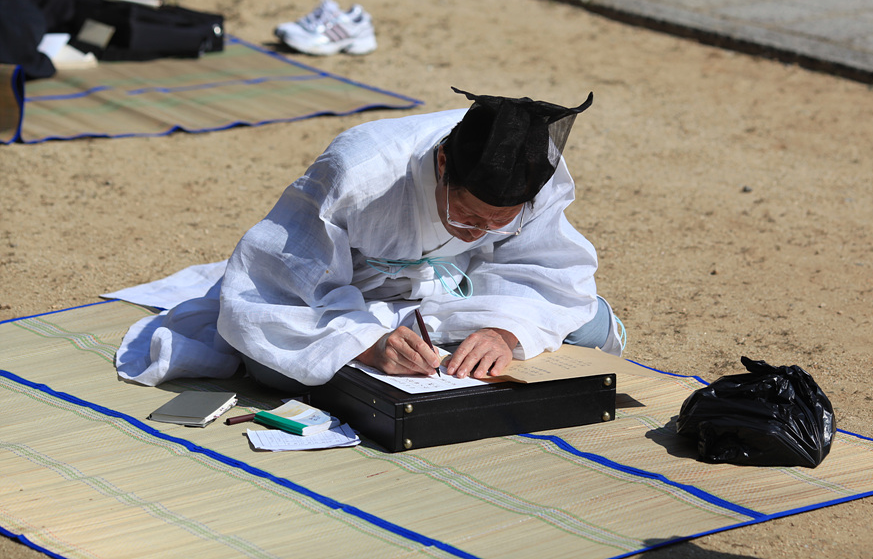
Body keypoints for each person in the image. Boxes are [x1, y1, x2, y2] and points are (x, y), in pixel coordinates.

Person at [115, 87, 624, 393]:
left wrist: (503, 332)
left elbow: (547, 271)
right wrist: (362, 344)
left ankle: (439, 347)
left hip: (454, 294)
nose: (479, 231)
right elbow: (281, 285)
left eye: (498, 222)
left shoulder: (540, 173)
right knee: (270, 364)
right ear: (442, 164)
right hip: (352, 297)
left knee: (593, 323)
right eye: (467, 215)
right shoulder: (360, 171)